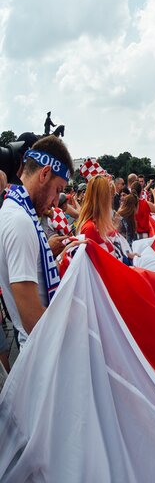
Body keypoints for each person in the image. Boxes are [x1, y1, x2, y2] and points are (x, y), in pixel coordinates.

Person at [0, 136, 75, 346]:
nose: (56, 202)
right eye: (58, 190)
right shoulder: (20, 221)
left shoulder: (16, 210)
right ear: (44, 173)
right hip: (41, 351)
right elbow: (32, 319)